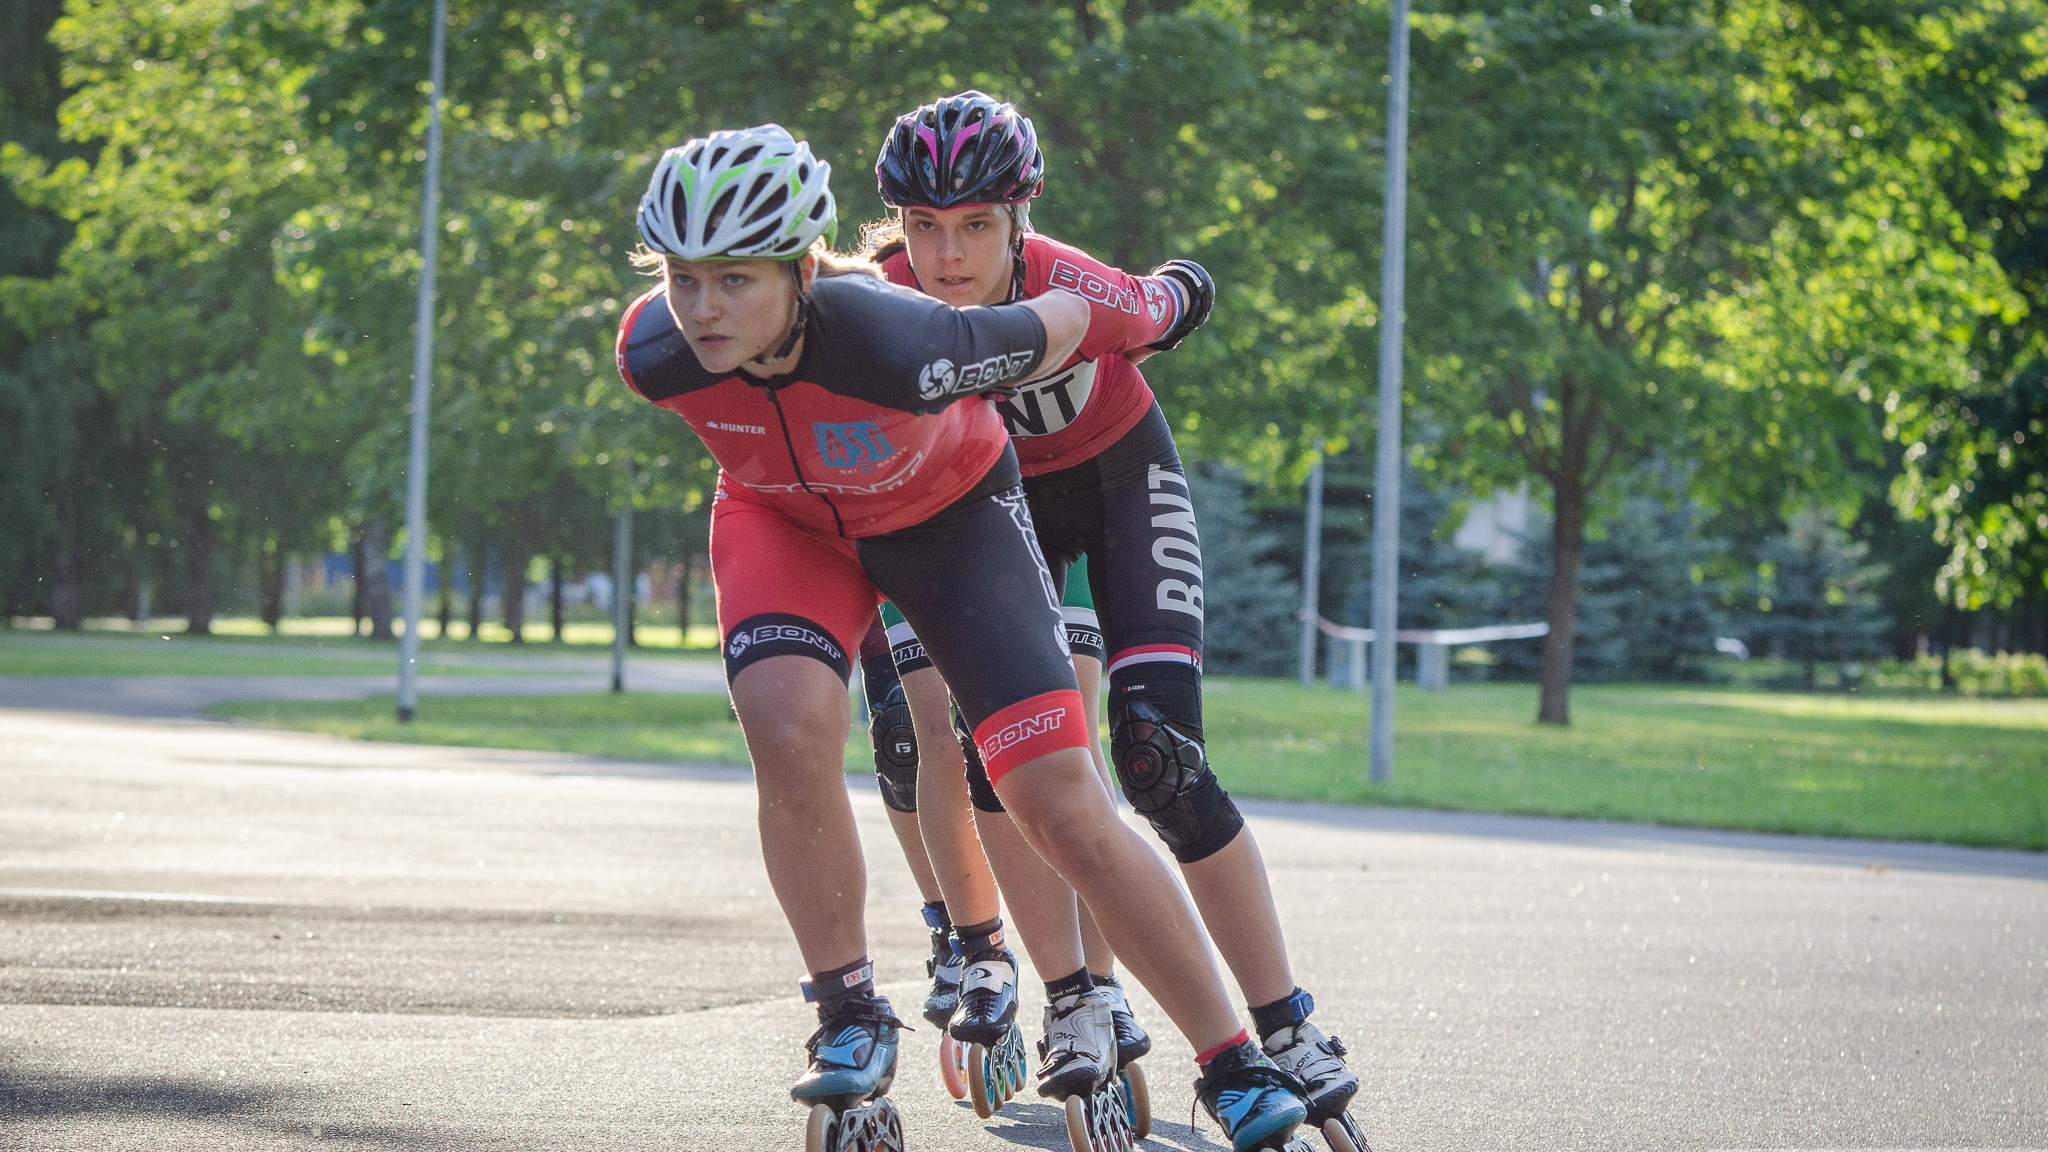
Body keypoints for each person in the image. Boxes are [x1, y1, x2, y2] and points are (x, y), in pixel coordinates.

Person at [615, 124, 1308, 1151]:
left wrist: (1164, 302)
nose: (703, 310)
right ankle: (848, 1011)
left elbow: (1067, 316)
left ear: (802, 269)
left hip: (949, 523)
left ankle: (1231, 1059)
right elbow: (703, 360)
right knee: (786, 725)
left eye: (733, 281)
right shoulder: (653, 351)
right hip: (783, 523)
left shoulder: (905, 339)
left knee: (1052, 798)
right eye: (682, 278)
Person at [862, 91, 1365, 1137]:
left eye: (975, 228)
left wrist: (1172, 292)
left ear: (1021, 219)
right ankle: (1074, 994)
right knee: (1000, 747)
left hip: (1115, 487)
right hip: (987, 515)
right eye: (923, 228)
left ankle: (1281, 1025)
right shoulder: (882, 306)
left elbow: (1182, 295)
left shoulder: (1071, 286)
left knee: (1156, 757)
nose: (947, 256)